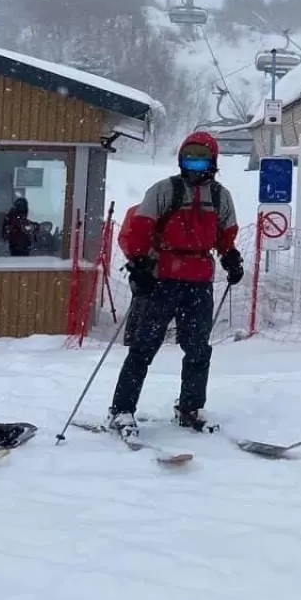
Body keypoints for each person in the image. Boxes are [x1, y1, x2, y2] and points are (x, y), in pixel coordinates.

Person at [107, 131, 243, 438]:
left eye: (201, 159)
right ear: (181, 160)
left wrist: (231, 258)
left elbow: (226, 236)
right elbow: (141, 229)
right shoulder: (164, 191)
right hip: (161, 280)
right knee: (143, 348)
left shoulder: (221, 197)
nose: (195, 165)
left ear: (213, 161)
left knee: (198, 349)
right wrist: (139, 265)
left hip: (198, 282)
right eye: (189, 158)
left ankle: (190, 408)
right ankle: (122, 410)